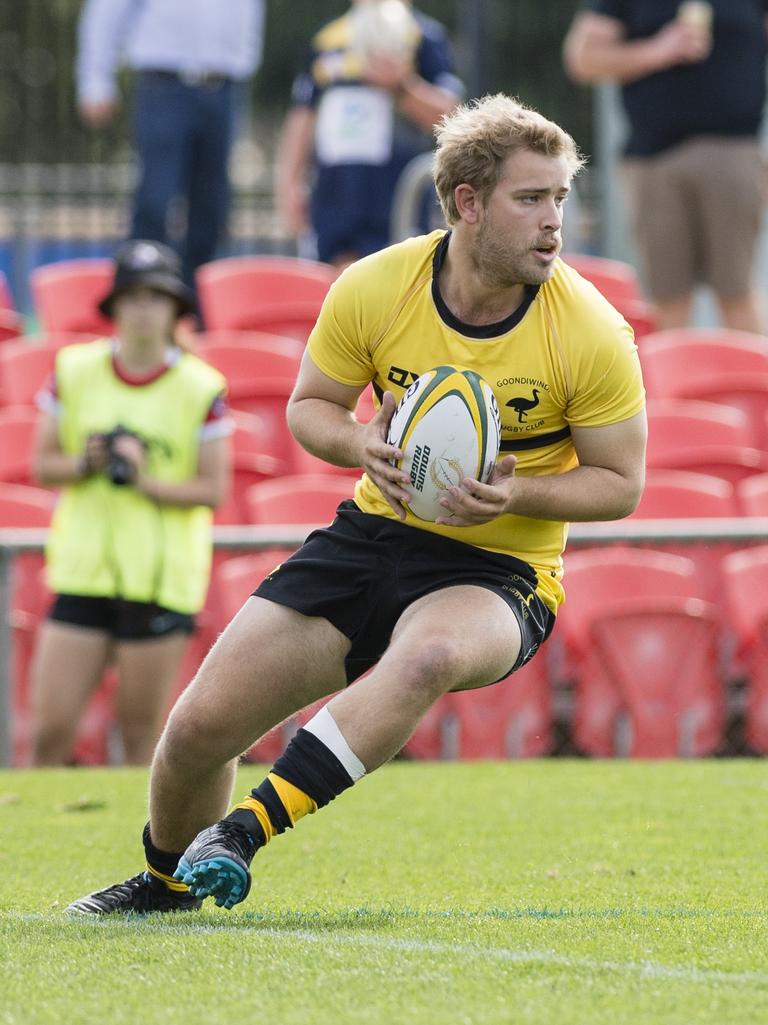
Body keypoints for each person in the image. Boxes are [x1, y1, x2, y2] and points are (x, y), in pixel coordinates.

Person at [65, 93, 646, 915]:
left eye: (560, 197)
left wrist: (521, 491)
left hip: (502, 566)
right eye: (531, 198)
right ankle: (164, 889)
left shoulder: (589, 329)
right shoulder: (378, 286)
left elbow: (621, 483)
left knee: (429, 655)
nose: (554, 221)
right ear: (467, 203)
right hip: (371, 534)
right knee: (197, 731)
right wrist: (359, 445)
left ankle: (241, 833)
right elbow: (312, 406)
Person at [30, 240, 232, 767]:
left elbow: (212, 490)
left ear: (174, 309)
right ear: (114, 307)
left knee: (141, 739)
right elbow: (43, 464)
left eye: (156, 297)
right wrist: (88, 463)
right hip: (83, 571)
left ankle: (145, 848)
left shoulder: (201, 386)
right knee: (50, 731)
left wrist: (144, 481)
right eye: (133, 296)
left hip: (159, 580)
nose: (144, 309)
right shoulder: (73, 369)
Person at [563, 1, 768, 333]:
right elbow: (582, 59)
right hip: (654, 159)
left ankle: (752, 385)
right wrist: (657, 50)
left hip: (734, 154)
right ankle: (671, 384)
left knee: (737, 293)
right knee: (667, 299)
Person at [76, 0, 266, 292]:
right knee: (155, 202)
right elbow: (108, 9)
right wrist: (95, 79)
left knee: (212, 210)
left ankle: (193, 310)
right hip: (164, 84)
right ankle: (139, 298)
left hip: (224, 87)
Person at [275, 0, 463, 269]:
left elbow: (451, 116)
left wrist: (402, 87)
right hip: (335, 202)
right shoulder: (328, 40)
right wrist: (290, 184)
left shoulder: (423, 37)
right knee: (334, 297)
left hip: (396, 201)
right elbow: (302, 117)